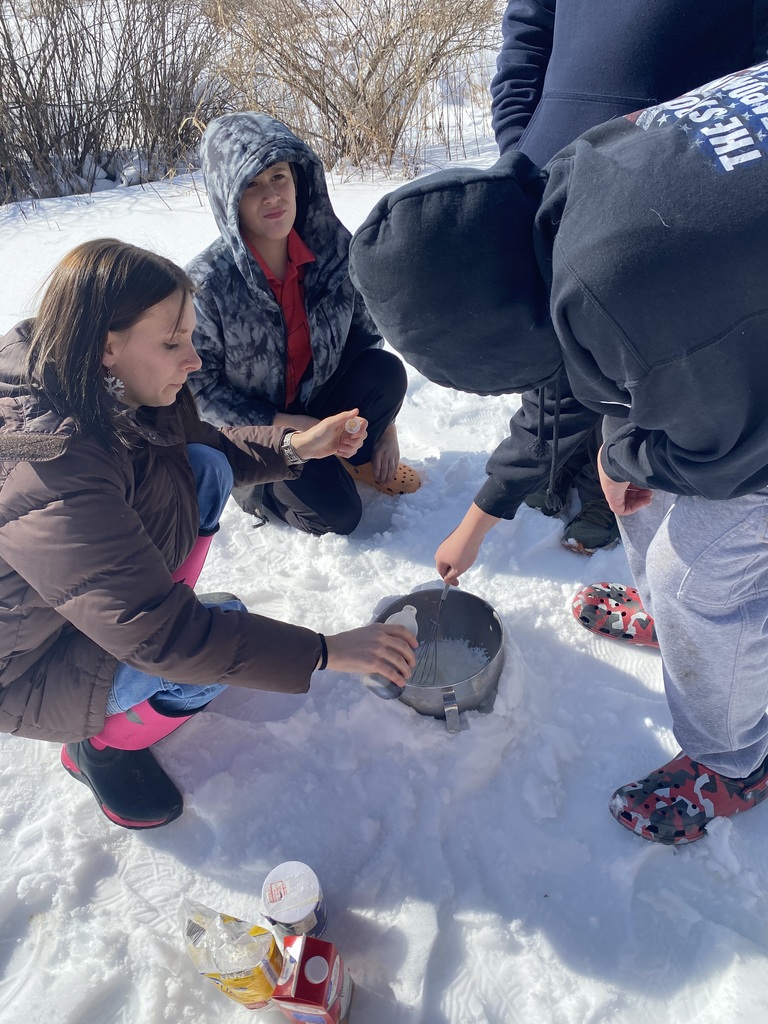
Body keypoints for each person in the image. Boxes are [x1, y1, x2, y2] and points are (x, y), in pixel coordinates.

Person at [349, 60, 768, 846]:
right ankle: (689, 637)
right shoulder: (575, 178)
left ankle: (735, 760)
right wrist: (625, 452)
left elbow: (743, 456)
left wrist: (639, 457)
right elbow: (618, 372)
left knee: (699, 571)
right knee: (633, 481)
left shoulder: (615, 288)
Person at [0, 239, 417, 831]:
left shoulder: (101, 376)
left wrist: (299, 446)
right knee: (193, 661)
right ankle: (99, 745)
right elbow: (165, 641)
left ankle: (149, 612)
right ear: (106, 348)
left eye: (190, 337)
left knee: (205, 466)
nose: (193, 360)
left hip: (85, 599)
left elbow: (205, 446)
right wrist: (326, 652)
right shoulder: (49, 466)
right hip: (29, 667)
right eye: (173, 344)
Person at [482, 0, 768, 554]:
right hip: (549, 162)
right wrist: (519, 144)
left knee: (640, 356)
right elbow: (528, 34)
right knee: (551, 338)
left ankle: (610, 478)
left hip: (671, 184)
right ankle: (551, 459)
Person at [186, 112, 419, 538]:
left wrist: (385, 430)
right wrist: (285, 425)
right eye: (251, 185)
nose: (271, 195)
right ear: (228, 196)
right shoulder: (207, 283)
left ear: (299, 179)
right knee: (340, 516)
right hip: (259, 437)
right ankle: (257, 492)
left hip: (319, 404)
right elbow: (200, 390)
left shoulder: (333, 249)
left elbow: (365, 340)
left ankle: (351, 456)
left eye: (278, 177)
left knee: (386, 372)